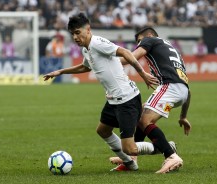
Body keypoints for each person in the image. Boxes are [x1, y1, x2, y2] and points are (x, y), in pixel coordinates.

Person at [43, 13, 159, 172]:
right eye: (73, 34)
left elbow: (125, 52)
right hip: (113, 100)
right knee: (103, 131)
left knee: (130, 148)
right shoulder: (86, 48)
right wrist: (61, 72)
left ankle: (163, 148)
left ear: (88, 29)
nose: (75, 37)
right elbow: (85, 66)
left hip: (127, 99)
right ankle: (130, 164)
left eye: (78, 32)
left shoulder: (97, 43)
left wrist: (143, 74)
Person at [112, 27, 191, 174]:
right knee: (141, 112)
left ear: (148, 36)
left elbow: (132, 57)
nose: (139, 45)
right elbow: (187, 89)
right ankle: (131, 158)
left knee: (144, 120)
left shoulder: (150, 39)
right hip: (181, 94)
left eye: (139, 41)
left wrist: (108, 61)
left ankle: (170, 155)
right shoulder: (169, 48)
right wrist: (183, 116)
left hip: (169, 88)